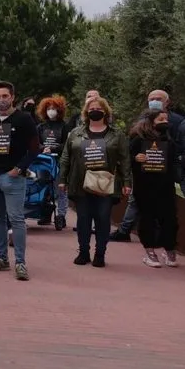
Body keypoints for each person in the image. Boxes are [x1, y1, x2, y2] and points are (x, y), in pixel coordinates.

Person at [58, 96, 131, 268]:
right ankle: (83, 252)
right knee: (83, 218)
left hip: (105, 183)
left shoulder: (117, 135)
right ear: (86, 112)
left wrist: (127, 182)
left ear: (105, 112)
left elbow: (125, 159)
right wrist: (62, 179)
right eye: (91, 109)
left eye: (98, 108)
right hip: (81, 182)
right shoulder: (76, 133)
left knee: (103, 218)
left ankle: (100, 253)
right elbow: (66, 157)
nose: (94, 111)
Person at [0, 80, 39, 281]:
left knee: (17, 219)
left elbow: (34, 148)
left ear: (12, 97)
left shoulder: (24, 119)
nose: (1, 100)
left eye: (5, 96)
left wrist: (19, 168)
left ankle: (20, 262)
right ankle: (2, 258)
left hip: (12, 177)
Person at [113, 89, 185, 241]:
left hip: (165, 173)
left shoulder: (177, 121)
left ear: (167, 102)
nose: (155, 101)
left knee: (164, 203)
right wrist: (135, 158)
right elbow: (130, 149)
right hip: (143, 172)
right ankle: (125, 230)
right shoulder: (140, 121)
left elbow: (178, 146)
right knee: (136, 200)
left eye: (158, 98)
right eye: (151, 98)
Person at [128, 110, 179, 268]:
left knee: (170, 218)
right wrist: (136, 159)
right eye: (160, 119)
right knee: (147, 218)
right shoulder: (138, 140)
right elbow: (126, 159)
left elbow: (174, 161)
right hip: (145, 187)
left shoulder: (168, 140)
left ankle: (169, 248)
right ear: (151, 121)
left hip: (165, 186)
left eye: (166, 119)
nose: (164, 121)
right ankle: (150, 251)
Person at [35, 95, 70, 229]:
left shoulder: (65, 126)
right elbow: (36, 143)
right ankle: (45, 214)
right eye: (49, 108)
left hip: (60, 161)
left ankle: (61, 216)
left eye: (54, 108)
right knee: (44, 188)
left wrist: (54, 148)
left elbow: (67, 144)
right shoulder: (41, 127)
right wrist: (43, 148)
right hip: (44, 162)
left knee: (61, 190)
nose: (51, 111)